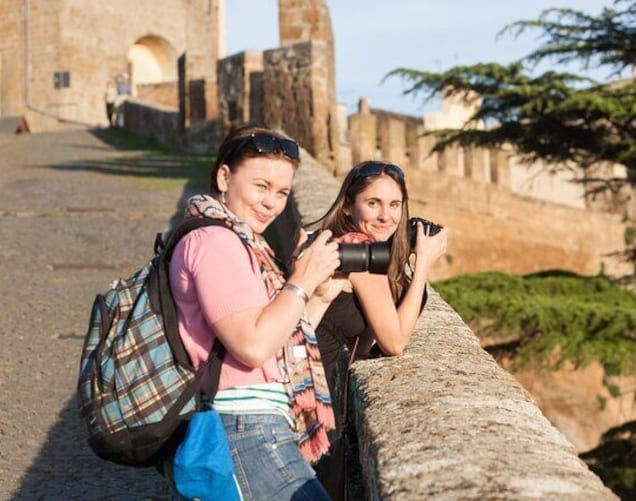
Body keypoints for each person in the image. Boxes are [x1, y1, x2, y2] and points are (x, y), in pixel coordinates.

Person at [168, 125, 344, 500]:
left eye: (282, 192)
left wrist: (319, 295)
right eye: (261, 186)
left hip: (259, 422)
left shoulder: (244, 243)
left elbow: (276, 337)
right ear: (224, 177)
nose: (272, 203)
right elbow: (251, 346)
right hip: (242, 427)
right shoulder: (215, 241)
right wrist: (302, 279)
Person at [311, 161, 448, 499]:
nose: (386, 216)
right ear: (348, 205)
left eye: (394, 205)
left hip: (318, 396)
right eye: (373, 203)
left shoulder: (341, 244)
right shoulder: (359, 251)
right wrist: (423, 268)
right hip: (315, 407)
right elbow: (395, 342)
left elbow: (365, 335)